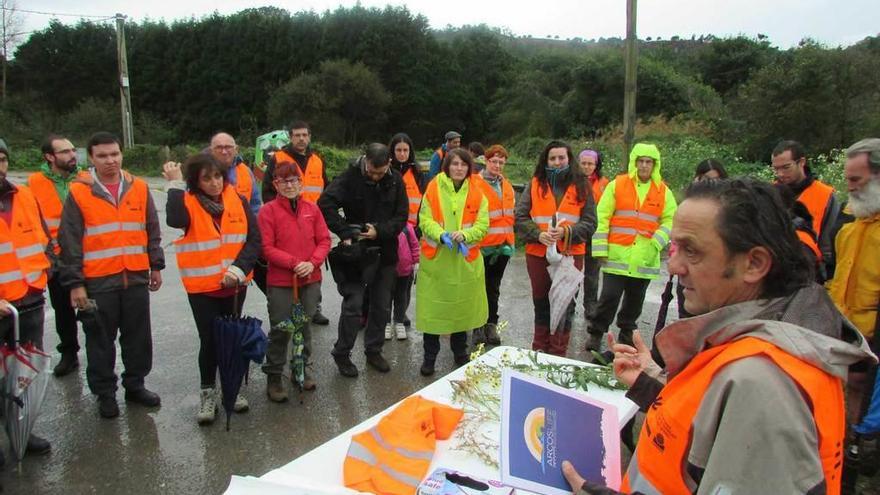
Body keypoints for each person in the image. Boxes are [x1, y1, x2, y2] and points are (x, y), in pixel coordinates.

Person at [562, 178, 876, 494]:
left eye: (692, 251)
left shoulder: (763, 381)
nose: (673, 266)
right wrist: (652, 382)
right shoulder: (755, 343)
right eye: (674, 247)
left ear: (754, 264)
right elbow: (709, 434)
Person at [59, 132, 165, 419]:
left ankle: (135, 385)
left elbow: (151, 230)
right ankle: (105, 394)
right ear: (91, 158)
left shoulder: (139, 187)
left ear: (122, 154)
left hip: (135, 278)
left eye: (115, 154)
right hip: (98, 282)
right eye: (103, 156)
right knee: (100, 341)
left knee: (138, 338)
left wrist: (155, 265)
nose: (110, 161)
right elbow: (69, 242)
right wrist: (76, 284)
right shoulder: (79, 192)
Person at [163, 154, 261, 425]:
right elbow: (173, 220)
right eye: (206, 178)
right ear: (195, 181)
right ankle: (208, 392)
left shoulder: (237, 200)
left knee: (232, 339)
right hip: (202, 288)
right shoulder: (187, 202)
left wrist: (238, 269)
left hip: (235, 284)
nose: (215, 183)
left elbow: (254, 239)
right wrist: (174, 184)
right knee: (209, 341)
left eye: (218, 176)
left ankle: (233, 388)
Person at [318, 144, 408, 377]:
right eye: (371, 171)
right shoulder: (349, 177)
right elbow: (325, 204)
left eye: (380, 172)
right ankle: (342, 352)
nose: (375, 176)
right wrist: (345, 231)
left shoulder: (396, 180)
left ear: (389, 163)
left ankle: (373, 350)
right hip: (355, 255)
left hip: (385, 251)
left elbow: (402, 216)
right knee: (353, 306)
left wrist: (380, 231)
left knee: (381, 306)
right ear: (365, 161)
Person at [589, 143, 677, 347]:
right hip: (616, 256)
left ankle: (626, 335)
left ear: (655, 165)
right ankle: (596, 333)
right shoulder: (618, 185)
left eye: (648, 162)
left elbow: (671, 219)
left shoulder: (663, 191)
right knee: (608, 297)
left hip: (644, 258)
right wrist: (601, 249)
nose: (644, 166)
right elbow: (602, 216)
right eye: (641, 161)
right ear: (634, 163)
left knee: (635, 301)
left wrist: (658, 241)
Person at [515, 141, 596, 356]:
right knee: (541, 304)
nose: (557, 162)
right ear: (546, 160)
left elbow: (590, 222)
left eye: (562, 158)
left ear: (569, 159)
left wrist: (566, 233)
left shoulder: (583, 185)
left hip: (571, 255)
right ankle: (539, 352)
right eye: (553, 158)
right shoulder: (535, 184)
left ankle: (558, 354)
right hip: (538, 254)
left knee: (565, 306)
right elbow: (520, 217)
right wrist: (538, 234)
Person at [259, 162, 330, 401]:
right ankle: (274, 376)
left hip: (310, 278)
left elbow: (324, 240)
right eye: (283, 181)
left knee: (303, 326)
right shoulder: (268, 211)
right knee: (281, 329)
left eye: (293, 180)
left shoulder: (312, 208)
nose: (289, 185)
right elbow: (267, 248)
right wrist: (294, 263)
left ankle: (301, 369)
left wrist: (312, 262)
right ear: (275, 184)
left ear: (300, 183)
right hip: (281, 281)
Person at [0, 138, 53, 457]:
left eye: (2, 159)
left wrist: (45, 273)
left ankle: (22, 429)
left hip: (30, 299)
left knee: (26, 374)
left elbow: (42, 238)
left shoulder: (25, 195)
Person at [416, 148, 489, 375]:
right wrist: (441, 234)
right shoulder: (433, 188)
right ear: (447, 166)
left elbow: (483, 225)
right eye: (455, 164)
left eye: (463, 164)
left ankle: (460, 353)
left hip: (465, 263)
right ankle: (429, 358)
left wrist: (466, 235)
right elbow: (425, 219)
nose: (459, 168)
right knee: (434, 314)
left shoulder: (478, 191)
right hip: (437, 262)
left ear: (469, 167)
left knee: (461, 311)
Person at [827, 138, 880, 437]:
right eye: (847, 179)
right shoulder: (850, 224)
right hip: (848, 336)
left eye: (856, 179)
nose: (850, 186)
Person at [29, 134, 88, 377]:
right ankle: (69, 353)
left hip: (89, 257)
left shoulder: (86, 179)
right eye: (64, 152)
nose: (72, 155)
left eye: (73, 150)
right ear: (49, 157)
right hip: (56, 259)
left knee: (92, 312)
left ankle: (99, 357)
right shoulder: (34, 184)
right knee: (63, 311)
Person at [261, 121, 331, 325]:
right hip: (283, 217)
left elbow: (325, 189)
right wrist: (275, 216)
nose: (301, 138)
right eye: (297, 135)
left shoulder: (318, 159)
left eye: (305, 135)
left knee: (313, 266)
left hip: (311, 217)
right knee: (286, 271)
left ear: (309, 137)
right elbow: (267, 190)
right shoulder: (279, 158)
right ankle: (286, 308)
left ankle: (314, 308)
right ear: (290, 137)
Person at [772, 139, 840, 279]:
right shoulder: (769, 193)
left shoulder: (825, 195)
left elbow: (830, 244)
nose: (780, 174)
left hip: (813, 271)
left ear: (801, 162)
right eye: (776, 169)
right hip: (776, 269)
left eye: (786, 167)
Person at [674, 159, 729, 320]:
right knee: (686, 315)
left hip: (709, 275)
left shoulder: (730, 210)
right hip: (688, 272)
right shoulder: (689, 205)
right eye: (704, 180)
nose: (709, 185)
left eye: (714, 180)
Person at [471, 145, 515, 346]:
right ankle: (477, 325)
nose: (497, 165)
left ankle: (490, 324)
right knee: (477, 288)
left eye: (501, 162)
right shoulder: (474, 184)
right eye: (494, 161)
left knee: (493, 288)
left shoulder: (507, 185)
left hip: (503, 247)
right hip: (482, 247)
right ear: (486, 161)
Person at [578, 149, 610, 351]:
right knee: (571, 272)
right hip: (577, 231)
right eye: (584, 163)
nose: (587, 167)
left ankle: (590, 306)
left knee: (592, 274)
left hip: (595, 234)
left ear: (596, 165)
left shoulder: (605, 184)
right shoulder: (572, 181)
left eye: (591, 164)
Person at [386, 222, 418, 341]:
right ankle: (386, 323)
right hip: (387, 270)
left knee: (401, 297)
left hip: (404, 270)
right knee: (386, 298)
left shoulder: (407, 228)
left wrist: (416, 262)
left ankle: (399, 322)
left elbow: (414, 245)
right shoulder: (384, 225)